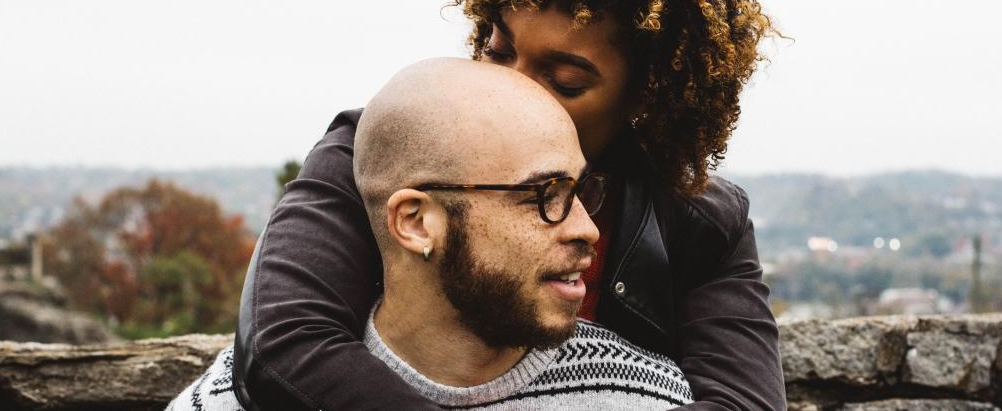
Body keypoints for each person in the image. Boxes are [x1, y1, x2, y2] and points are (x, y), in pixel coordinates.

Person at [234, 0, 786, 410]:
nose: (512, 86)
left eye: (565, 81)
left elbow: (742, 401)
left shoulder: (702, 221)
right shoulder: (382, 153)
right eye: (498, 51)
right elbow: (283, 348)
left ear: (646, 96)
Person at [171, 59, 694, 410]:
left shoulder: (644, 397)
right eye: (544, 195)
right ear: (417, 222)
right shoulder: (226, 403)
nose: (587, 229)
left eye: (583, 190)